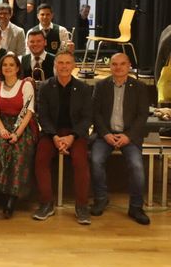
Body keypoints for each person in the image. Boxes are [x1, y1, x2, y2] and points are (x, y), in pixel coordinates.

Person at [90, 53, 150, 225]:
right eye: (114, 64)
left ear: (129, 65)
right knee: (95, 160)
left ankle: (136, 207)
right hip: (105, 135)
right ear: (110, 66)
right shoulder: (101, 86)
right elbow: (96, 113)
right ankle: (101, 198)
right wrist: (106, 134)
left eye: (122, 64)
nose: (118, 67)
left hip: (129, 136)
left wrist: (128, 136)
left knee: (137, 166)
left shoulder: (139, 87)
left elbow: (142, 115)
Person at [33, 51, 92, 224]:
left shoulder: (84, 88)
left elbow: (87, 117)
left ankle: (81, 206)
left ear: (74, 66)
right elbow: (42, 116)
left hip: (76, 133)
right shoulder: (45, 87)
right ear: (55, 66)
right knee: (41, 159)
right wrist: (55, 137)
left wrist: (72, 137)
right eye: (61, 63)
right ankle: (46, 203)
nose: (64, 66)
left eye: (68, 63)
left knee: (80, 161)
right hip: (52, 133)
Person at [0, 53, 36, 219]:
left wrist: (17, 133)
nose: (8, 68)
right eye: (5, 65)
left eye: (11, 65)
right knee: (0, 147)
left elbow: (28, 112)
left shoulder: (26, 85)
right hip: (2, 124)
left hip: (22, 126)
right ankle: (1, 193)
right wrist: (2, 129)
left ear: (17, 68)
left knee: (18, 150)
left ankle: (12, 197)